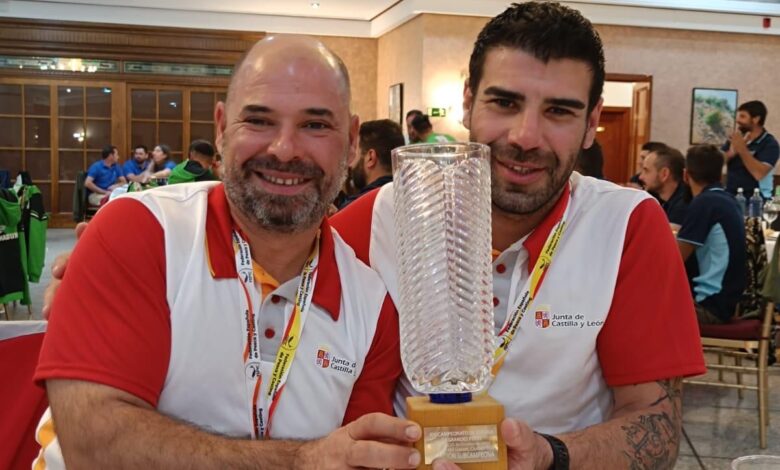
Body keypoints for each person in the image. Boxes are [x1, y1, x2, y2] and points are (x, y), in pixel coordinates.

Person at [332, 3, 704, 469]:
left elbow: (657, 426)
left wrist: (552, 455)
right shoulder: (374, 220)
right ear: (468, 101)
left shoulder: (626, 224)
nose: (526, 137)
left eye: (559, 111)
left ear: (591, 122)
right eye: (505, 103)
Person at [33, 36, 421, 469]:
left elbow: (357, 457)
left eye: (315, 125)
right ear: (221, 129)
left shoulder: (371, 306)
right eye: (258, 120)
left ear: (351, 143)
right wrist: (299, 462)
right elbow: (96, 446)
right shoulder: (140, 232)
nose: (284, 149)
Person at [677, 144, 746, 325]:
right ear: (720, 176)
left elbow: (673, 259)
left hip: (708, 306)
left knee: (637, 307)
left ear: (685, 175)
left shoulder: (705, 203)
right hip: (726, 302)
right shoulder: (728, 200)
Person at [339, 119, 403, 209]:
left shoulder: (355, 208)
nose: (350, 164)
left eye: (354, 152)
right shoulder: (410, 198)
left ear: (370, 158)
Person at [723, 100, 780, 199]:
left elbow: (759, 174)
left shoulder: (770, 144)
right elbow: (717, 163)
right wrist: (731, 153)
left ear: (756, 119)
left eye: (743, 116)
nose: (737, 120)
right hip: (730, 195)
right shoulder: (736, 138)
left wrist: (741, 148)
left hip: (757, 199)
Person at [638, 144, 690, 228]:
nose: (641, 177)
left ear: (664, 174)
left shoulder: (681, 208)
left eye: (646, 171)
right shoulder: (666, 201)